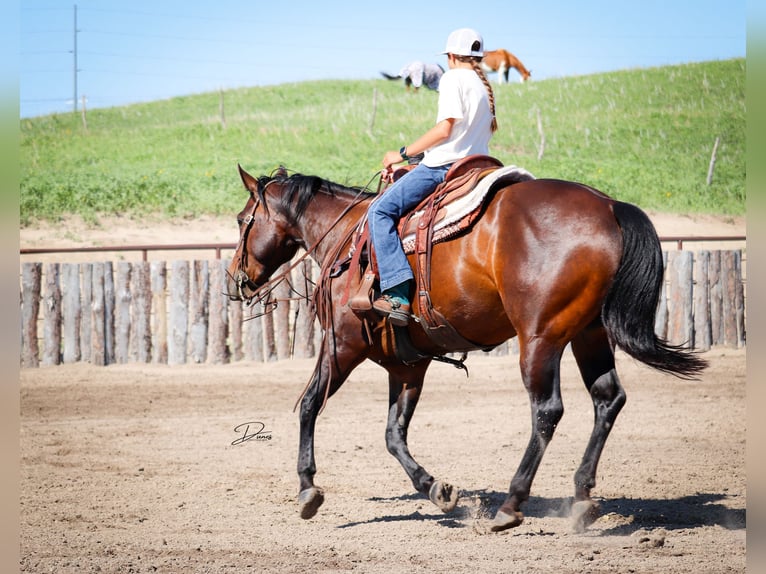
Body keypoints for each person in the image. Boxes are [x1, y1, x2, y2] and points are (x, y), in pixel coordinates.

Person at [368, 28, 498, 327]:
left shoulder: (453, 78)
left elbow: (445, 131)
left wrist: (401, 154)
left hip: (443, 167)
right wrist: (418, 157)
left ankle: (398, 294)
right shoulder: (482, 83)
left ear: (451, 56)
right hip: (476, 165)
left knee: (380, 211)